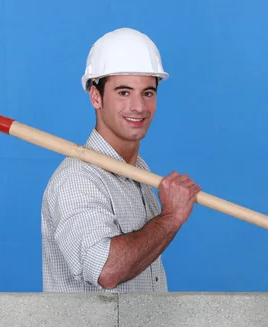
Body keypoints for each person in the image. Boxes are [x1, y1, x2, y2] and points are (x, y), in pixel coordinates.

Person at [41, 27, 201, 292]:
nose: (139, 106)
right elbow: (106, 269)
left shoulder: (138, 172)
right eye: (124, 92)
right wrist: (170, 217)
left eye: (147, 92)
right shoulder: (77, 179)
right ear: (96, 96)